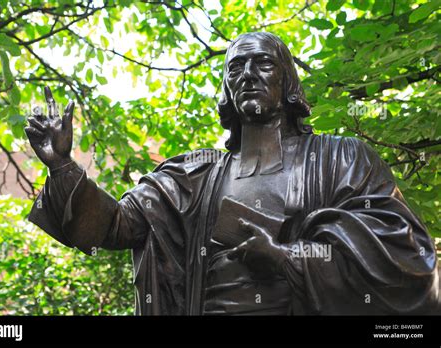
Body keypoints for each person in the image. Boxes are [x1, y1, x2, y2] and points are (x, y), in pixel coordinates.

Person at [25, 32, 439, 315]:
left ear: (287, 80)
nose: (247, 74)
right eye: (236, 67)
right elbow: (116, 226)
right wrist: (62, 166)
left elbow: (406, 258)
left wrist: (287, 257)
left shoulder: (342, 159)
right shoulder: (192, 177)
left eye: (262, 63)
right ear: (226, 88)